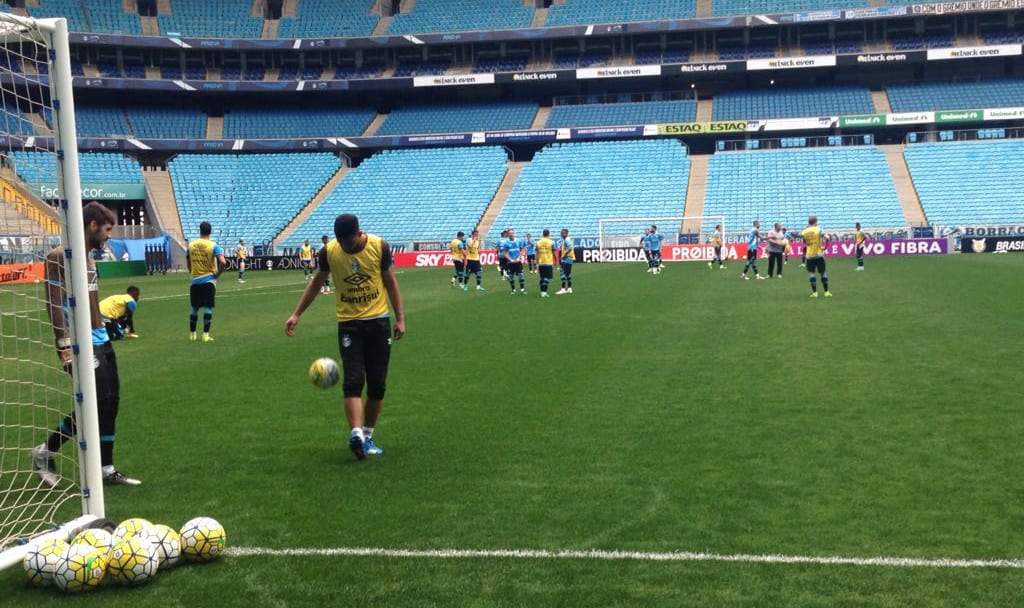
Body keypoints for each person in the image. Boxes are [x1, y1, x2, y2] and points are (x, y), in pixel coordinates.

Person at [33, 202, 141, 487]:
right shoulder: (60, 257)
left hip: (101, 340)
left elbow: (91, 303)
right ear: (92, 226)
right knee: (94, 403)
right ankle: (45, 451)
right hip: (79, 344)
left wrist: (107, 325)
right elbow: (54, 304)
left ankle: (106, 468)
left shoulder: (91, 258)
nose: (108, 236)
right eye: (106, 230)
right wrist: (64, 345)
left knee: (110, 403)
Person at [285, 213, 405, 460]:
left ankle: (368, 435)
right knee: (353, 379)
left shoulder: (379, 246)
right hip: (349, 324)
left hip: (378, 322)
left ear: (358, 234)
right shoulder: (329, 252)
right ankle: (356, 434)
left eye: (346, 242)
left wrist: (400, 318)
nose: (342, 246)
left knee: (377, 384)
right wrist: (297, 314)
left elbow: (391, 283)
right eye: (338, 241)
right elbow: (317, 283)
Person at [187, 221, 227, 342]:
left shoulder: (191, 245)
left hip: (195, 280)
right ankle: (205, 334)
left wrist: (192, 273)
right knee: (208, 307)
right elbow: (223, 262)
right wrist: (218, 274)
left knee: (194, 308)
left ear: (200, 230)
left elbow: (188, 262)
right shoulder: (214, 246)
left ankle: (192, 334)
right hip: (208, 280)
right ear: (210, 231)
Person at [802, 215, 832, 298]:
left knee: (812, 274)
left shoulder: (804, 231)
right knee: (823, 273)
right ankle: (826, 292)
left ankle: (815, 293)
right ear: (815, 222)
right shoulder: (818, 229)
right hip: (818, 255)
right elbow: (826, 237)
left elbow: (805, 242)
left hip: (809, 256)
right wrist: (827, 238)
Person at [500, 228, 527, 294]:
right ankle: (513, 290)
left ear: (514, 233)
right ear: (508, 234)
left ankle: (522, 289)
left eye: (512, 233)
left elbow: (523, 249)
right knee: (511, 276)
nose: (511, 234)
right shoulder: (506, 243)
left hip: (518, 261)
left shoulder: (518, 241)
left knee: (521, 275)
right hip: (510, 262)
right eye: (509, 233)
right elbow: (505, 253)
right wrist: (510, 259)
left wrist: (519, 257)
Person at [535, 229, 556, 298]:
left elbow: (536, 253)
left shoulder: (538, 242)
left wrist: (537, 262)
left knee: (542, 278)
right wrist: (556, 261)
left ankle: (542, 292)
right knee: (547, 278)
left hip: (541, 262)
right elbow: (554, 252)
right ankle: (544, 293)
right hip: (548, 262)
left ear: (543, 234)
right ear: (549, 234)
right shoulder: (551, 242)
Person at [556, 228, 575, 295]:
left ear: (567, 233)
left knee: (562, 273)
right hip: (569, 259)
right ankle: (569, 289)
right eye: (561, 233)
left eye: (563, 233)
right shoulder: (565, 239)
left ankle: (563, 289)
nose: (562, 234)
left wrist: (564, 255)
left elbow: (570, 248)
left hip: (566, 259)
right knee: (568, 274)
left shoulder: (567, 240)